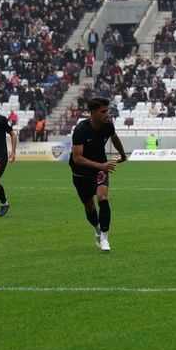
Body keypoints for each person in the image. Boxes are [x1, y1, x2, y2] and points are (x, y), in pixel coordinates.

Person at [69, 96, 128, 252]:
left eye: (107, 111)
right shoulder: (81, 130)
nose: (107, 114)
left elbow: (115, 138)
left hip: (101, 169)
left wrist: (123, 155)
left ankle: (105, 237)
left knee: (102, 196)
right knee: (89, 207)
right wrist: (101, 165)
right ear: (93, 112)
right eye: (103, 112)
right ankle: (97, 228)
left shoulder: (107, 126)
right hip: (80, 173)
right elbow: (77, 158)